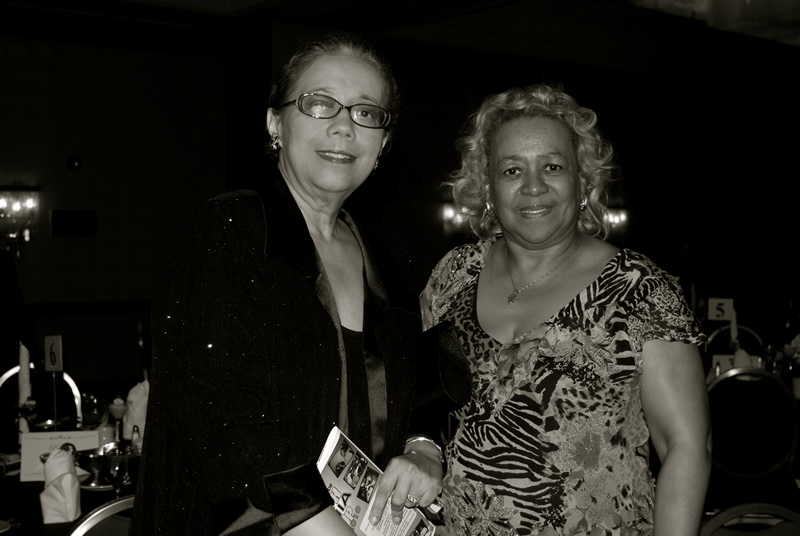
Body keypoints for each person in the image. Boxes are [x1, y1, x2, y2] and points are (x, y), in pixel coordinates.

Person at [131, 33, 444, 535]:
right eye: (319, 103)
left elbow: (426, 378)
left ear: (383, 143)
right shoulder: (226, 236)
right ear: (275, 123)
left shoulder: (390, 260)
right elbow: (223, 419)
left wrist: (424, 447)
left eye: (366, 112)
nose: (343, 125)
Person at [420, 84, 711, 535]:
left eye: (552, 167)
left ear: (583, 181)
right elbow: (419, 403)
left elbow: (686, 447)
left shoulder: (639, 288)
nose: (533, 186)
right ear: (488, 188)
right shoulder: (453, 275)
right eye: (512, 170)